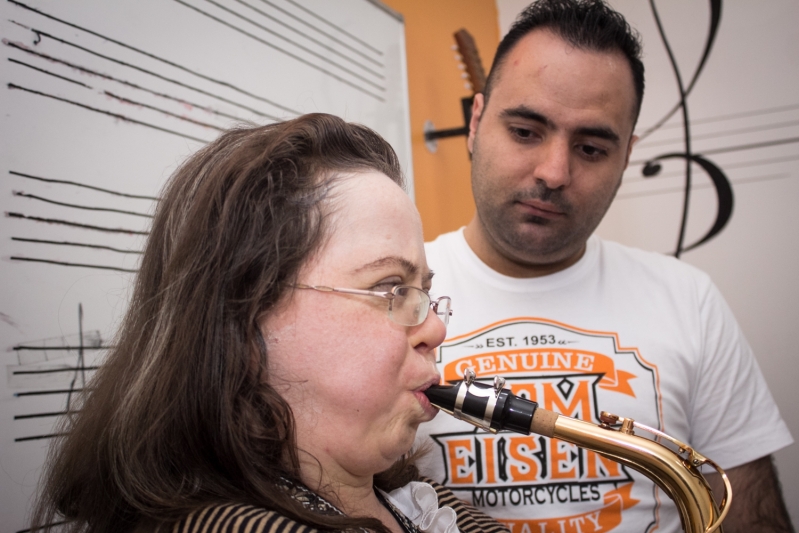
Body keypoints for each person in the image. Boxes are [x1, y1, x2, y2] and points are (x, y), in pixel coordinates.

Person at [30, 114, 509, 533]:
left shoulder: (414, 504)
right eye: (390, 288)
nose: (436, 331)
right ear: (245, 318)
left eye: (423, 292)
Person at [416, 1, 794, 532]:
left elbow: (753, 520)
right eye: (525, 131)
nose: (553, 172)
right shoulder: (386, 295)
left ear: (626, 157)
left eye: (591, 148)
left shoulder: (689, 298)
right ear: (476, 123)